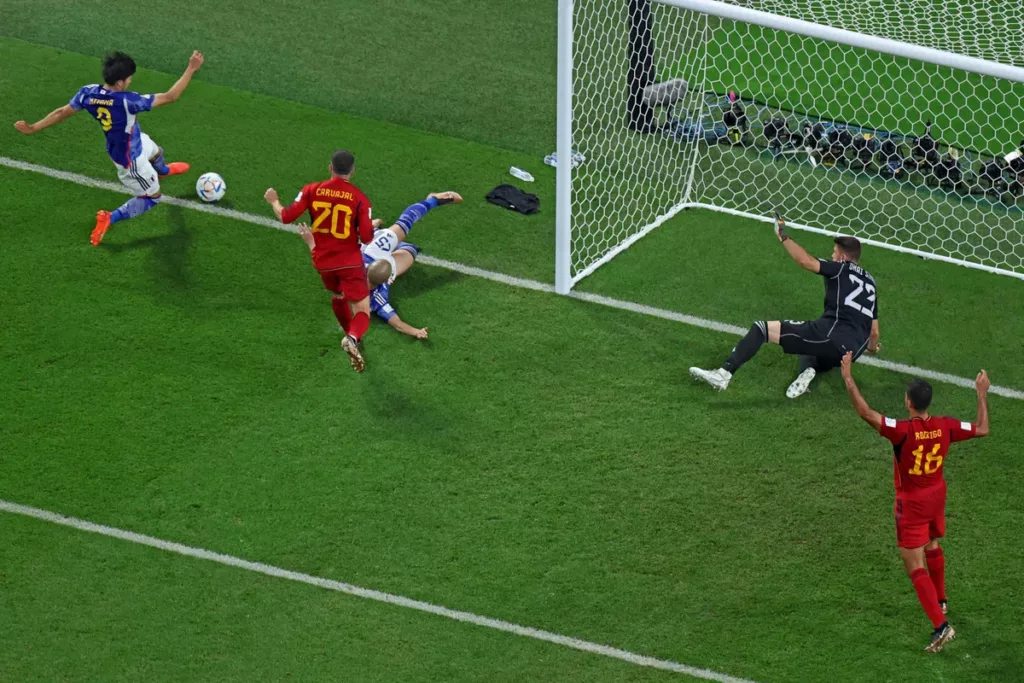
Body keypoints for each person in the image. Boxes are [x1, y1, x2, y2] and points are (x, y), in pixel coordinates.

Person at [840, 352, 990, 652]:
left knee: (914, 565)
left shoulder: (902, 432)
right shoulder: (946, 426)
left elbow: (866, 413)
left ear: (909, 402)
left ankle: (940, 626)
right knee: (932, 544)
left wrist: (848, 378)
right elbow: (982, 428)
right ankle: (942, 600)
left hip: (912, 502)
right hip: (937, 495)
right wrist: (981, 394)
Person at [14, 51, 204, 245]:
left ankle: (163, 171)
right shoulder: (128, 101)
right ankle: (109, 217)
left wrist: (34, 127)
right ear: (120, 82)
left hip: (132, 141)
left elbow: (62, 112)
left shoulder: (88, 93)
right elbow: (171, 96)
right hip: (131, 161)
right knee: (153, 197)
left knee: (157, 152)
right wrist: (191, 68)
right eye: (129, 79)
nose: (130, 82)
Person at [690, 213, 880, 398]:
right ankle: (809, 370)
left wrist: (783, 235)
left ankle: (723, 375)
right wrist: (871, 349)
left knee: (761, 329)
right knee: (813, 345)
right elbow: (874, 332)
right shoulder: (871, 283)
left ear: (844, 257)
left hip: (831, 336)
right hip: (852, 351)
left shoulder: (840, 268)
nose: (832, 256)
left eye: (834, 253)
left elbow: (806, 261)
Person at [297, 191, 463, 340]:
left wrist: (311, 240)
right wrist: (415, 331)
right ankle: (375, 228)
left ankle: (372, 229)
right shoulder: (377, 297)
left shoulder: (356, 275)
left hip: (372, 248)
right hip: (377, 252)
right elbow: (396, 322)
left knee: (365, 237)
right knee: (410, 248)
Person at [264, 150, 374, 372]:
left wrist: (274, 201)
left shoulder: (311, 190)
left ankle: (351, 337)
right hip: (349, 262)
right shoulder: (360, 198)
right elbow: (367, 237)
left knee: (338, 296)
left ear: (330, 168)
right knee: (362, 310)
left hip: (323, 261)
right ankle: (352, 338)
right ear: (352, 171)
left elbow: (285, 216)